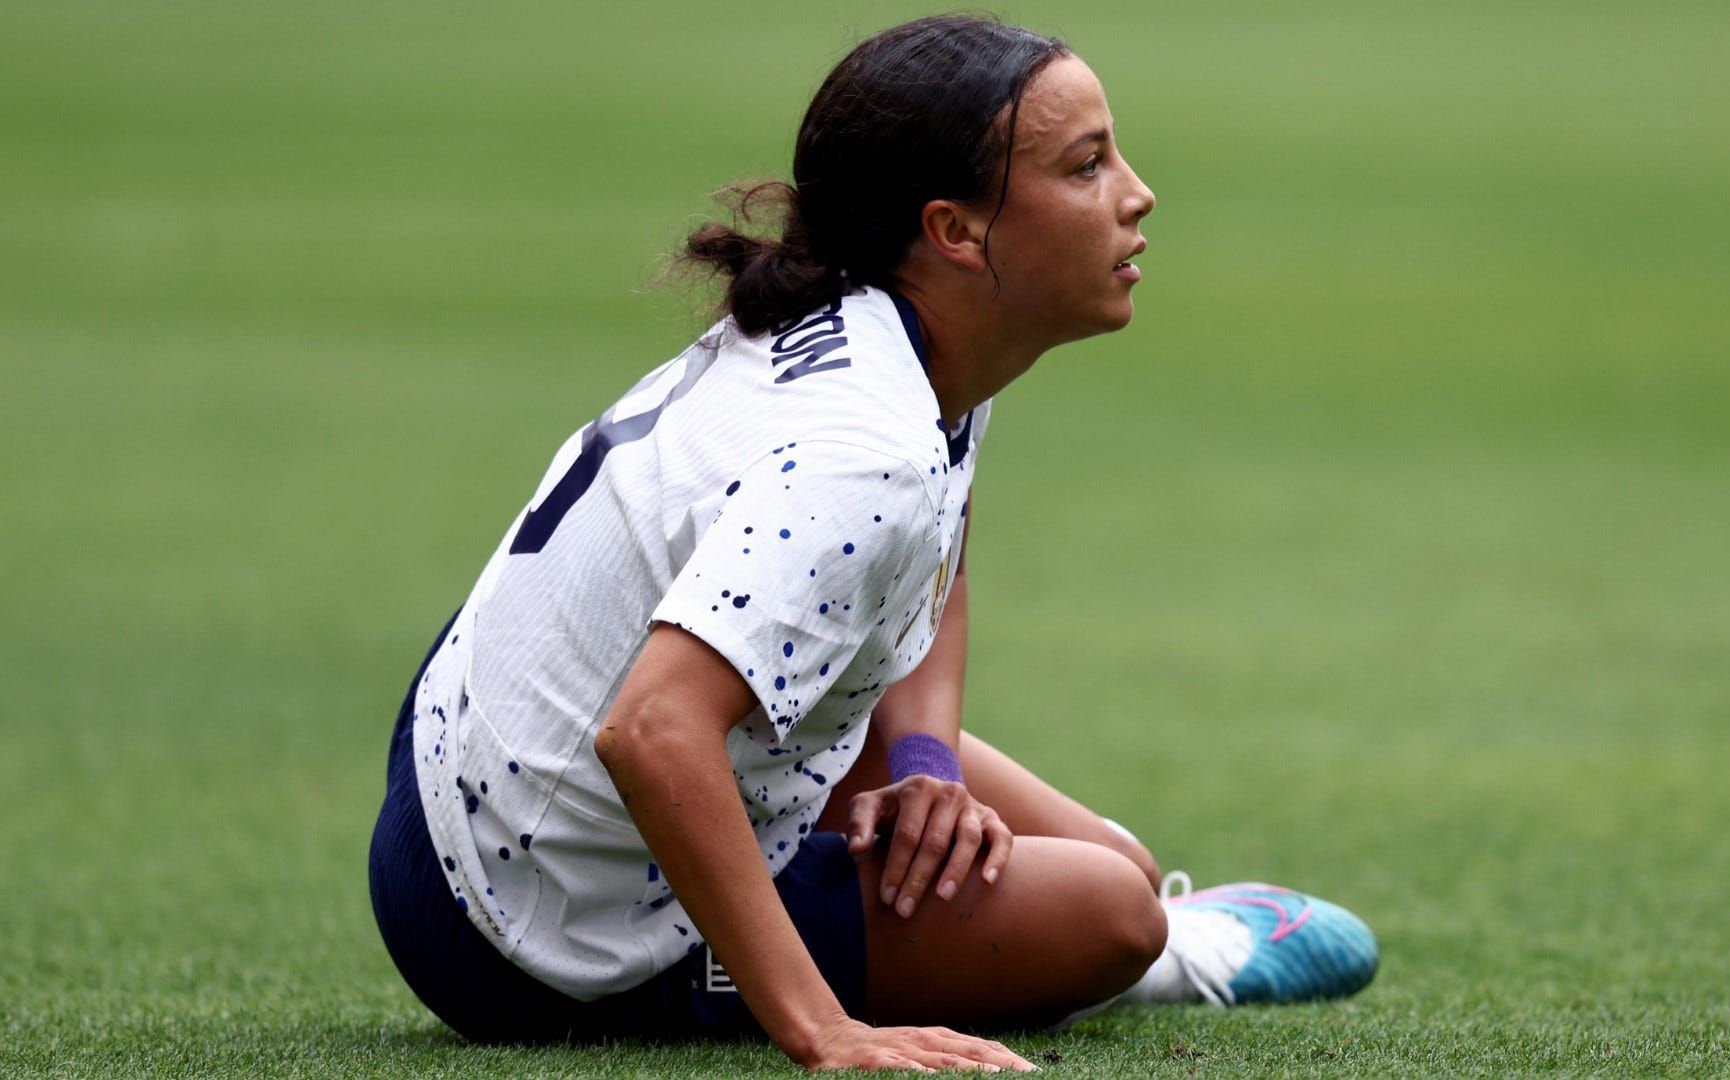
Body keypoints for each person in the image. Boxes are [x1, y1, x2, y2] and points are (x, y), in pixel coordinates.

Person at [368, 13, 1377, 1072]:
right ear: (955, 232)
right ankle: (1156, 957)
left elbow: (930, 551)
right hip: (522, 928)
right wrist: (825, 1031)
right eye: (1086, 166)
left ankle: (983, 915)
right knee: (1113, 916)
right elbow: (653, 729)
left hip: (471, 747)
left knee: (1113, 859)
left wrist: (930, 765)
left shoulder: (911, 332)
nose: (1137, 192)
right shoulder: (867, 452)